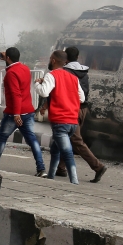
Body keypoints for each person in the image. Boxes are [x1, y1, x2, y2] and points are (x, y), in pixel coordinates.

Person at [0, 47, 46, 175]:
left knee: (2, 138)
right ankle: (41, 168)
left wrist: (16, 114)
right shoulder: (25, 68)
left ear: (8, 58)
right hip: (28, 111)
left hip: (14, 113)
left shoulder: (11, 73)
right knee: (32, 140)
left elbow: (16, 94)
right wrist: (7, 59)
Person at [56, 46, 107, 183]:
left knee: (76, 140)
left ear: (66, 58)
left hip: (72, 109)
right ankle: (61, 168)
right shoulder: (84, 71)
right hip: (83, 109)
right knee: (67, 138)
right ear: (78, 57)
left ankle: (98, 167)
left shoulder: (65, 72)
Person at [34, 50, 85, 184]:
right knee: (55, 148)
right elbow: (82, 97)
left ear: (54, 60)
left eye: (50, 59)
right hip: (73, 122)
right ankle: (51, 176)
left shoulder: (52, 75)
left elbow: (44, 92)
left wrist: (37, 83)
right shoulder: (74, 78)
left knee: (67, 152)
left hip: (60, 121)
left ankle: (74, 181)